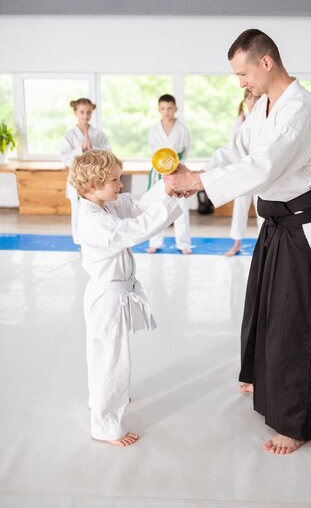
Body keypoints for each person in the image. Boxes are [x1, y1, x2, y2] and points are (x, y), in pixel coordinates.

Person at [164, 29, 311, 456]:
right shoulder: (263, 107)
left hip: (304, 225)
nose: (240, 83)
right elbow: (236, 151)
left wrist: (201, 182)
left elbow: (263, 167)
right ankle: (268, 379)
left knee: (298, 321)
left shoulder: (301, 108)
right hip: (278, 223)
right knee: (265, 308)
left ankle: (299, 422)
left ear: (265, 62)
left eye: (242, 73)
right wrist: (198, 175)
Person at [69, 149, 181, 447]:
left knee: (105, 354)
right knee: (112, 360)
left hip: (110, 294)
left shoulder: (104, 205)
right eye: (115, 180)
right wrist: (169, 197)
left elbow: (138, 205)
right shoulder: (94, 219)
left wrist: (167, 186)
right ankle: (105, 425)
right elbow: (135, 230)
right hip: (107, 297)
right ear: (93, 184)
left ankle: (103, 398)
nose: (121, 185)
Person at [60, 98, 111, 244]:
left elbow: (107, 154)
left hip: (95, 178)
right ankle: (80, 241)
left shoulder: (98, 134)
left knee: (96, 207)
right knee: (77, 209)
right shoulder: (69, 136)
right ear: (76, 112)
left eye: (88, 112)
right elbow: (64, 158)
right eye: (82, 112)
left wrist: (92, 149)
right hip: (76, 178)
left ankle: (94, 239)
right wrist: (80, 149)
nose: (85, 115)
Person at [147, 94, 192, 254]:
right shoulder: (154, 130)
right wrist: (162, 166)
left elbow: (186, 148)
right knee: (158, 205)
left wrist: (177, 165)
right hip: (159, 171)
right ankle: (155, 241)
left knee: (181, 206)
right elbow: (152, 150)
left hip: (177, 169)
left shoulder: (182, 129)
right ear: (159, 109)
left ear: (175, 109)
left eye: (170, 108)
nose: (166, 112)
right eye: (163, 108)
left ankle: (184, 243)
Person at [225, 89, 263, 257]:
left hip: (260, 170)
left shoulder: (264, 118)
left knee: (262, 208)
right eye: (250, 99)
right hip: (242, 169)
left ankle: (265, 244)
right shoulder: (239, 121)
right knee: (240, 207)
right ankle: (237, 243)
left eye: (256, 98)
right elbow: (233, 146)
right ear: (244, 101)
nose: (253, 102)